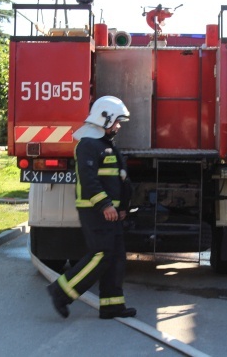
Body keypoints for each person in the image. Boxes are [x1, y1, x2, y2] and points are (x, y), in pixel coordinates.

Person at [46, 96, 136, 320]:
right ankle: (61, 291)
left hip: (111, 212)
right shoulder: (87, 144)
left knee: (115, 257)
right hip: (95, 211)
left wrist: (123, 206)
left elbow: (119, 179)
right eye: (116, 121)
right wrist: (105, 204)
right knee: (101, 255)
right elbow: (88, 180)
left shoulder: (106, 145)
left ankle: (111, 305)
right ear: (105, 118)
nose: (118, 126)